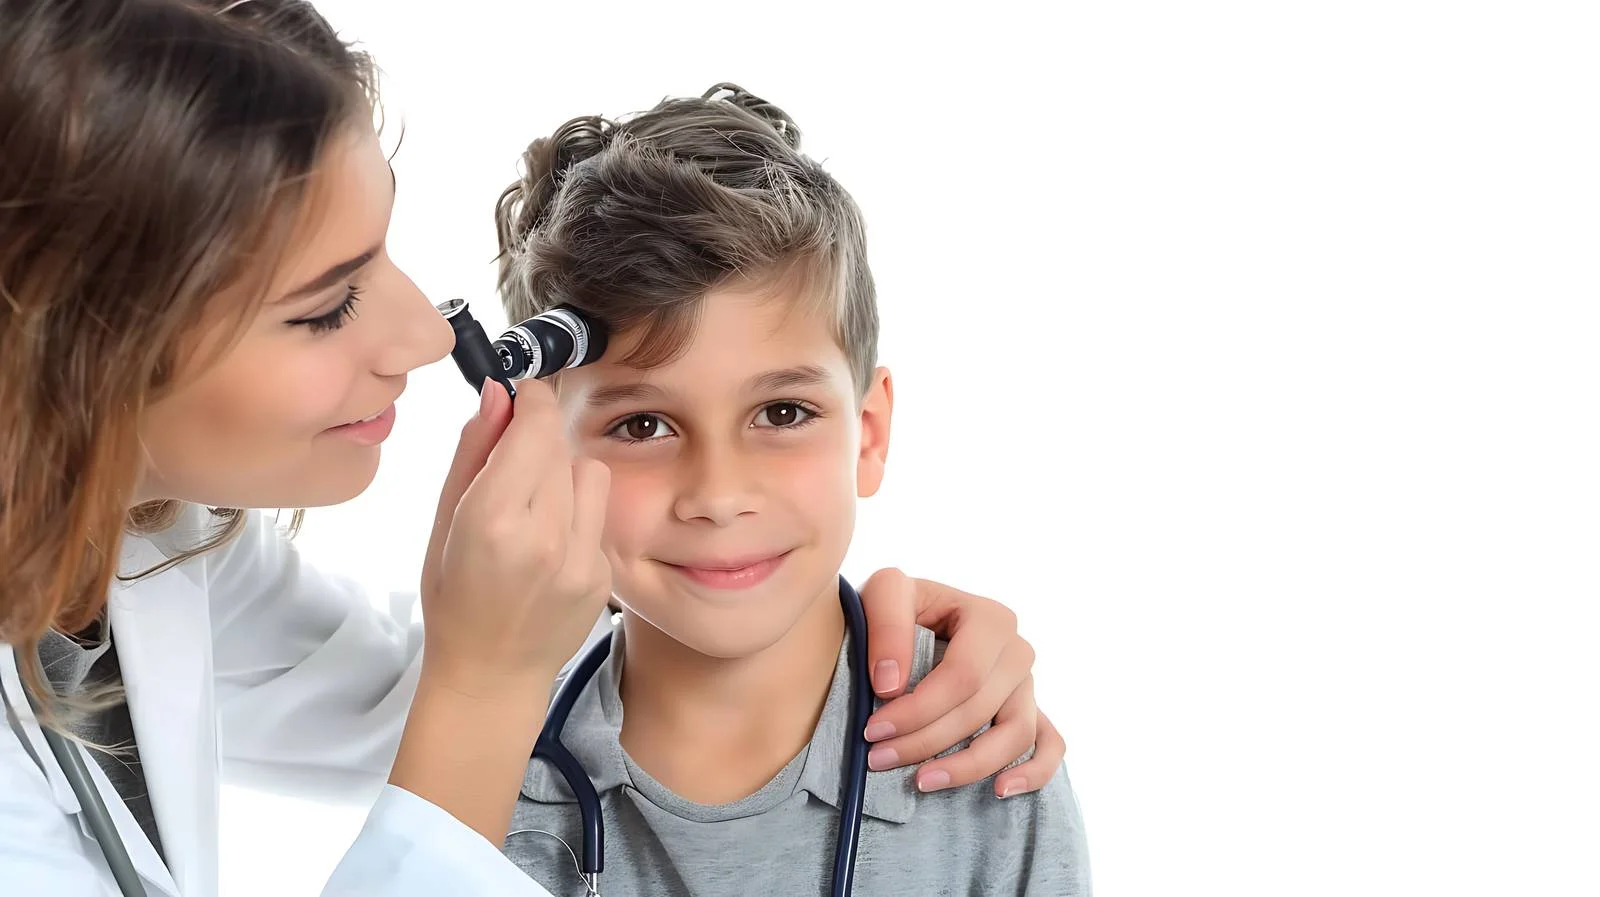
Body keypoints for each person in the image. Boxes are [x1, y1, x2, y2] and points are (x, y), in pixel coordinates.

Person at [0, 4, 1064, 896]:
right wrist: (489, 678)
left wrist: (858, 644)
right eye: (325, 308)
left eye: (781, 414)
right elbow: (469, 697)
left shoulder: (143, 545)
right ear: (74, 351)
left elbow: (403, 679)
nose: (425, 339)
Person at [492, 85, 1091, 895]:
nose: (718, 493)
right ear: (542, 457)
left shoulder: (985, 760)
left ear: (868, 433)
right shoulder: (488, 786)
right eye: (642, 426)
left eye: (782, 411)